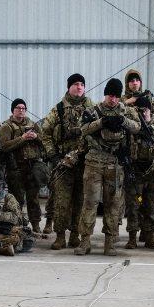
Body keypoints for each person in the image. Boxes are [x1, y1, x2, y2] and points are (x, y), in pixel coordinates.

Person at [74, 78, 140, 256]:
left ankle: (110, 242)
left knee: (113, 204)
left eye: (116, 96)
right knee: (90, 202)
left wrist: (122, 121)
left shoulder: (127, 111)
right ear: (105, 94)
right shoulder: (92, 110)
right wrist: (101, 122)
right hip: (94, 161)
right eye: (110, 95)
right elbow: (82, 129)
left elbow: (137, 127)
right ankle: (85, 241)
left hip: (115, 163)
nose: (113, 99)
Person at [39, 73, 93, 249]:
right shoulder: (59, 109)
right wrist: (53, 155)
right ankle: (60, 236)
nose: (79, 87)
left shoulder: (92, 108)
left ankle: (75, 235)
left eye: (82, 84)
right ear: (69, 87)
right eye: (76, 84)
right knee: (61, 201)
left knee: (80, 201)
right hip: (63, 164)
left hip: (85, 163)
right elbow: (45, 132)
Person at [124, 94, 154, 249]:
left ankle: (149, 235)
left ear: (150, 110)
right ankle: (132, 237)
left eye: (145, 109)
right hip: (134, 171)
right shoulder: (132, 128)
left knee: (151, 205)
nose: (143, 112)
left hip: (153, 171)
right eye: (139, 109)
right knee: (133, 206)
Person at [0, 98, 45, 234]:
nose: (21, 110)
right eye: (18, 108)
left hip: (32, 167)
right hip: (15, 168)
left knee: (33, 198)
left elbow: (44, 141)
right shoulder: (6, 126)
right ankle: (17, 225)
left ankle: (35, 224)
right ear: (13, 110)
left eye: (23, 108)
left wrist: (36, 136)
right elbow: (4, 146)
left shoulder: (33, 124)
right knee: (17, 199)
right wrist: (23, 138)